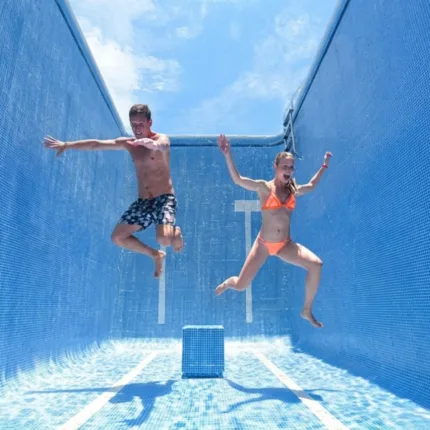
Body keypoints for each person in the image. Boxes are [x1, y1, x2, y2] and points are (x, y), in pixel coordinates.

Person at [43, 104, 183, 278]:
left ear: (150, 123)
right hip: (143, 203)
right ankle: (155, 255)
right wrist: (66, 145)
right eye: (133, 124)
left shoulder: (161, 139)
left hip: (164, 199)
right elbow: (96, 144)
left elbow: (164, 145)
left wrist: (153, 144)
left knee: (164, 239)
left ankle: (176, 233)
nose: (137, 129)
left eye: (141, 124)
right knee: (118, 237)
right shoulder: (129, 144)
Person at [215, 134, 332, 328]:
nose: (288, 170)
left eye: (291, 167)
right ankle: (229, 283)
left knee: (316, 265)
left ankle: (306, 310)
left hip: (285, 245)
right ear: (275, 168)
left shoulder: (293, 190)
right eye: (284, 167)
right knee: (241, 285)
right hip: (263, 245)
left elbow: (311, 185)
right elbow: (238, 180)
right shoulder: (265, 188)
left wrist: (324, 166)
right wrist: (227, 154)